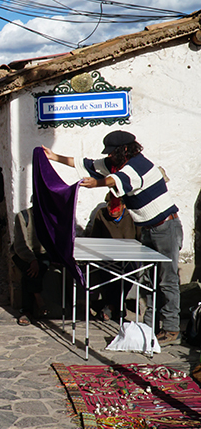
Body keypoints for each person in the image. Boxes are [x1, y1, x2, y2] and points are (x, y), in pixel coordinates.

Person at [44, 130, 183, 345]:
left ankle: (172, 329)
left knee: (167, 280)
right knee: (148, 281)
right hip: (148, 229)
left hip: (165, 227)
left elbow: (118, 180)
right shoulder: (117, 163)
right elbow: (88, 164)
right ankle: (149, 327)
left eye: (112, 153)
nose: (108, 157)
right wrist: (55, 157)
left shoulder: (139, 165)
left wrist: (96, 184)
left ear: (125, 149)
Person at [85, 194, 140, 321]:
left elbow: (139, 238)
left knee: (131, 272)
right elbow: (95, 238)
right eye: (110, 206)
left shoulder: (133, 215)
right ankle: (118, 306)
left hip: (128, 256)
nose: (112, 210)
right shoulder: (101, 214)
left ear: (124, 205)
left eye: (116, 206)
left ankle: (111, 306)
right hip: (107, 255)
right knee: (106, 273)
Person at [11, 207, 49, 326]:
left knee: (37, 269)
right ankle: (36, 300)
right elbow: (21, 244)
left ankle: (27, 310)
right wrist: (32, 259)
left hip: (43, 254)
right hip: (22, 254)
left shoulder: (52, 216)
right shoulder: (23, 217)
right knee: (29, 269)